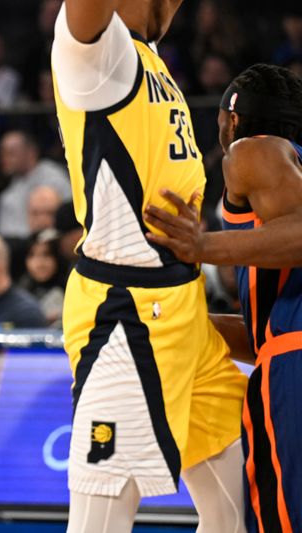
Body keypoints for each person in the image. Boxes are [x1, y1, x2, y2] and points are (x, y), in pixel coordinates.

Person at [51, 2, 248, 531]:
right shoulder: (97, 55)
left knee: (238, 512)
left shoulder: (150, 57)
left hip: (188, 311)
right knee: (103, 519)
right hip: (126, 315)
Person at [144, 63, 302, 533]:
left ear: (232, 119)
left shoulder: (255, 150)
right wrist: (182, 320)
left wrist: (202, 246)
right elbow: (267, 336)